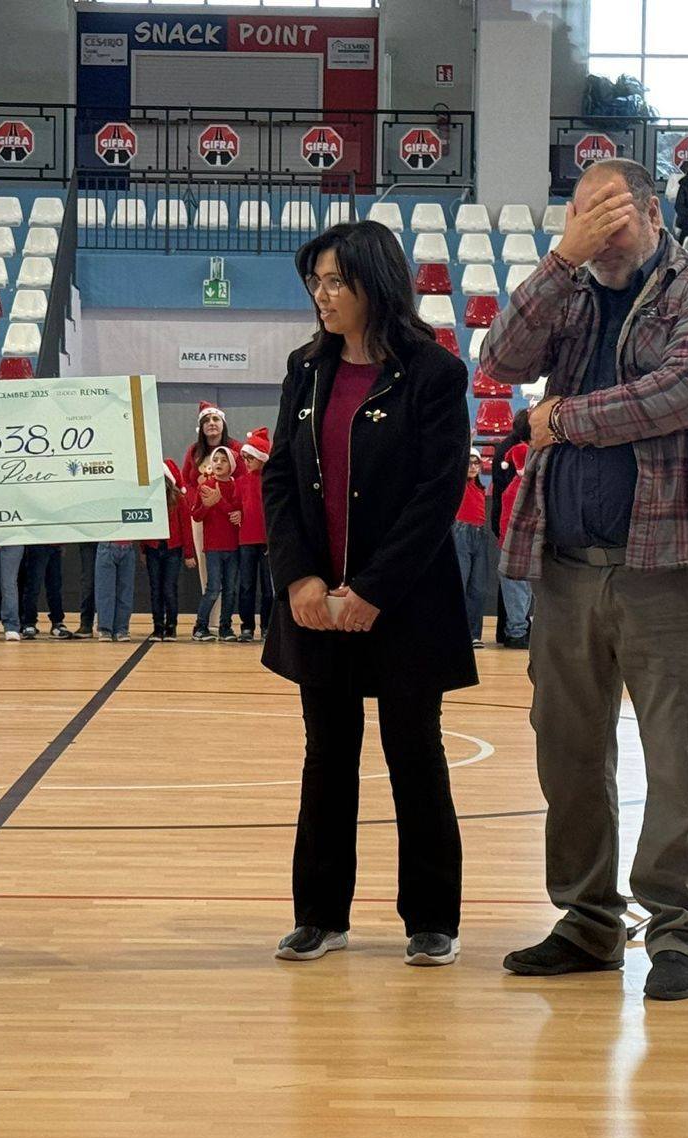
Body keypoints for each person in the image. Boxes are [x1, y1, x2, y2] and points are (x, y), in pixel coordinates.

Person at [479, 157, 688, 1001]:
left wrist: (561, 419)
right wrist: (559, 262)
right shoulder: (571, 290)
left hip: (671, 566)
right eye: (581, 211)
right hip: (565, 565)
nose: (595, 225)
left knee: (678, 761)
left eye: (611, 209)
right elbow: (500, 358)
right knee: (567, 754)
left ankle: (676, 932)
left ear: (652, 211)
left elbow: (683, 394)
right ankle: (588, 921)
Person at [261, 219, 474, 968]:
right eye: (315, 282)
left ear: (374, 285)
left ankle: (432, 919)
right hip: (317, 604)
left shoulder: (435, 373)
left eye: (335, 282)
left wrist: (374, 588)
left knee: (415, 754)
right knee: (327, 756)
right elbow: (279, 477)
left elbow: (437, 492)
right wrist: (299, 577)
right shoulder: (305, 368)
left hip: (404, 604)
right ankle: (320, 915)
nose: (321, 295)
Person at [188, 444, 241, 642]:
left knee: (230, 590)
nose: (218, 463)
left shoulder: (236, 486)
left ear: (231, 465)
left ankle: (225, 628)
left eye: (224, 460)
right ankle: (200, 626)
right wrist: (207, 506)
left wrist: (224, 504)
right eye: (216, 460)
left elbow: (236, 511)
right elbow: (196, 515)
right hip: (213, 548)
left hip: (233, 547)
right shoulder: (205, 486)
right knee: (213, 588)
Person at [235, 428, 273, 642]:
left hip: (267, 542)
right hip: (246, 541)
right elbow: (234, 506)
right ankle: (247, 627)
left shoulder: (271, 482)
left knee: (268, 588)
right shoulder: (241, 481)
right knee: (246, 586)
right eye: (245, 458)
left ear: (261, 457)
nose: (247, 462)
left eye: (250, 458)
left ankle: (267, 626)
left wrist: (272, 540)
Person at [452, 447, 492, 647]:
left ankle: (473, 634)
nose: (474, 467)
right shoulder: (457, 485)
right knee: (461, 582)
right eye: (469, 462)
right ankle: (455, 632)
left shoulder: (479, 489)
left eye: (477, 463)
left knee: (478, 588)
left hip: (480, 533)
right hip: (461, 532)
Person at [144, 459, 187, 642]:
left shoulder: (178, 499)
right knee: (156, 589)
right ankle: (157, 626)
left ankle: (171, 625)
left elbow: (185, 527)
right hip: (153, 549)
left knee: (169, 588)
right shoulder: (149, 499)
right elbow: (145, 525)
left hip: (173, 550)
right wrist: (143, 549)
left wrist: (189, 553)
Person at [496, 441, 532, 650]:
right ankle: (517, 631)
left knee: (520, 590)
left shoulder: (515, 486)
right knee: (518, 590)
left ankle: (518, 629)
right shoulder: (521, 488)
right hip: (516, 543)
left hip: (513, 542)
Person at [19, 543, 69, 640]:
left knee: (55, 586)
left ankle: (57, 623)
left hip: (55, 545)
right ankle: (28, 623)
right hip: (36, 545)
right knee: (33, 586)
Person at [94, 536, 137, 642]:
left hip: (128, 547)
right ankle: (105, 628)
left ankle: (121, 628)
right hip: (107, 545)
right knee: (105, 589)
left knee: (126, 590)